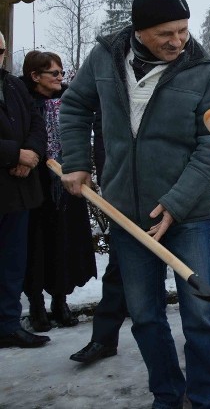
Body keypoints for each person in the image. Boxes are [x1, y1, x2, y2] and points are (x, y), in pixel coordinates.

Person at [60, 0, 210, 408]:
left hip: (187, 214)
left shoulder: (204, 70)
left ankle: (209, 400)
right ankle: (167, 396)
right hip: (127, 213)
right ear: (139, 31)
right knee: (146, 316)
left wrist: (174, 204)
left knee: (201, 314)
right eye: (166, 33)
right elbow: (76, 106)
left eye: (183, 30)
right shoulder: (104, 57)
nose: (178, 41)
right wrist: (76, 160)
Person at [21, 51, 96, 331]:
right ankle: (36, 304)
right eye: (54, 73)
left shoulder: (70, 100)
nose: (60, 78)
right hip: (35, 184)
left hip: (68, 183)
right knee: (36, 245)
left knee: (65, 243)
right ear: (35, 76)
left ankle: (60, 301)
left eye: (62, 73)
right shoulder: (24, 101)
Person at [0, 34, 50, 349]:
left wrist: (30, 154)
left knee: (12, 263)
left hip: (17, 192)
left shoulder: (14, 85)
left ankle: (7, 324)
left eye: (0, 49)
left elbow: (36, 123)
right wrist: (13, 154)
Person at [70, 111, 129, 365]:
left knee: (189, 272)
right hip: (124, 192)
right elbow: (103, 134)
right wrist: (111, 180)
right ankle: (104, 339)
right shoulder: (112, 88)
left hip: (174, 190)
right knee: (119, 266)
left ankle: (199, 341)